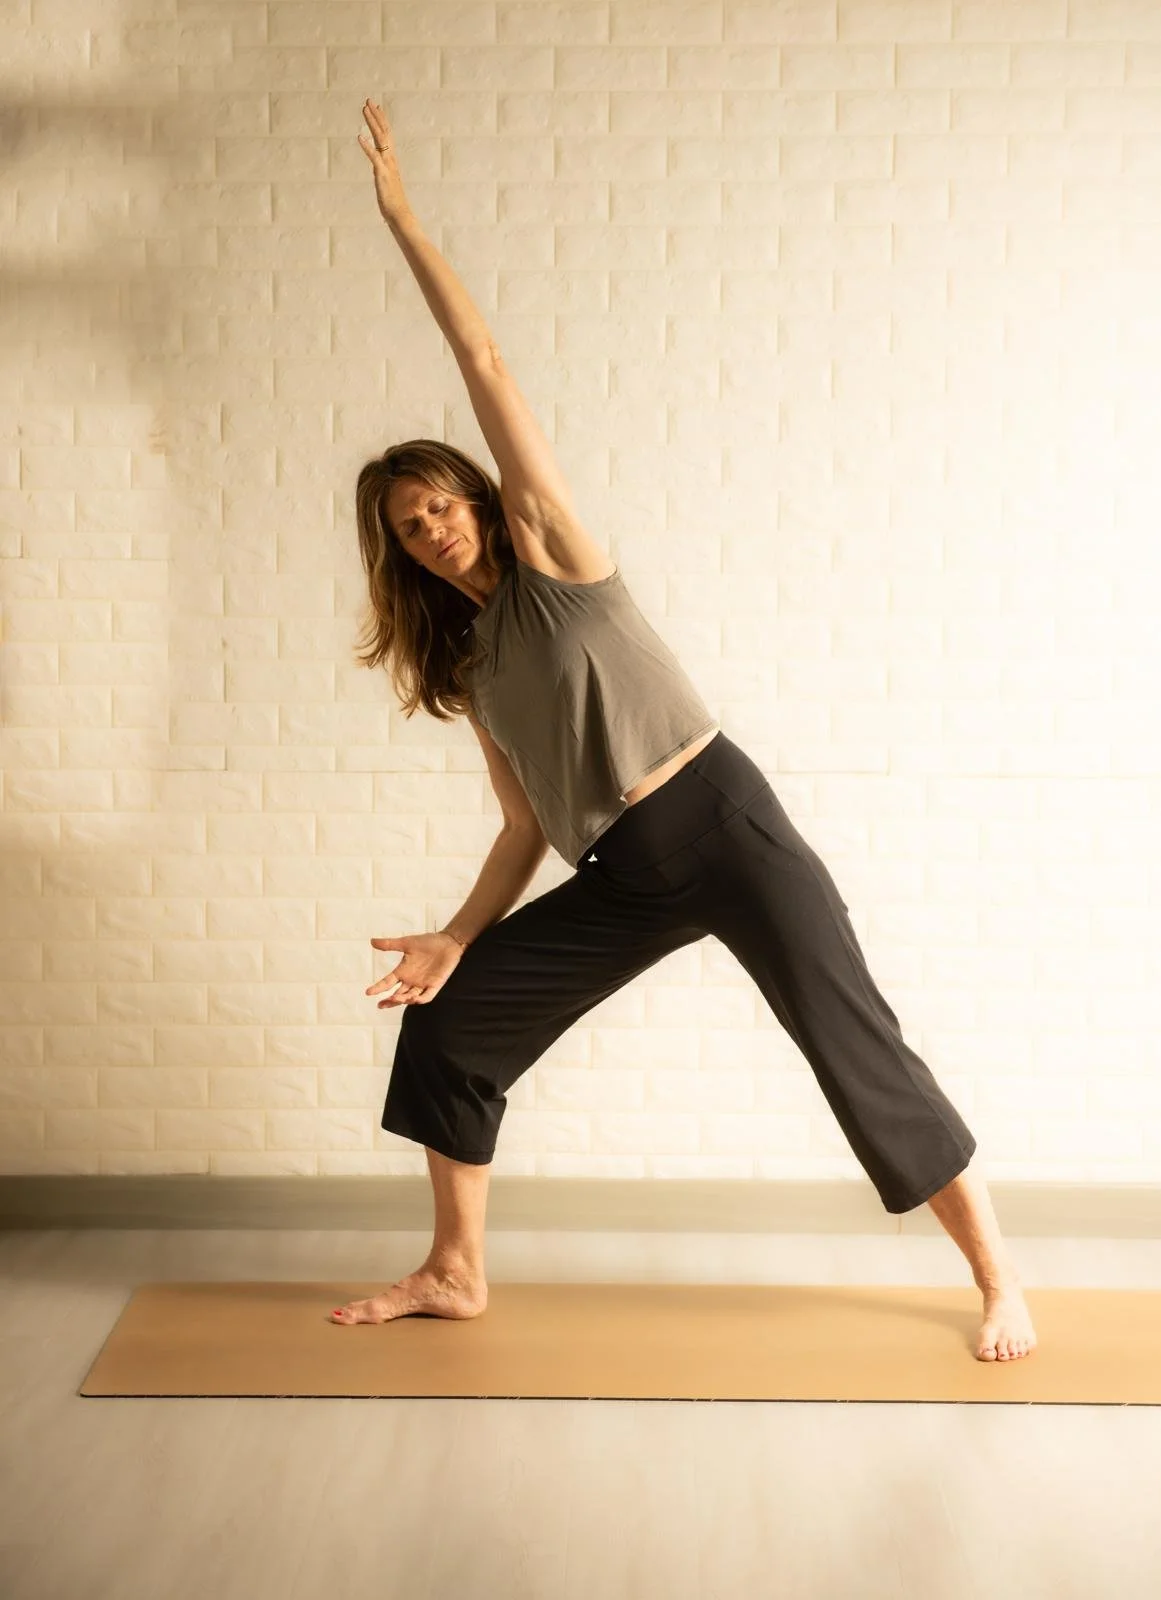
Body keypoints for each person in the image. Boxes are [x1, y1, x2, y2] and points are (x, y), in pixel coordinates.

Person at [331, 100, 1037, 1364]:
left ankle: (998, 1276)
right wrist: (453, 935)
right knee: (453, 1024)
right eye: (408, 525)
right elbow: (526, 825)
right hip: (622, 870)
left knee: (851, 1042)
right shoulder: (475, 665)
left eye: (440, 502)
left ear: (479, 503)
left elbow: (485, 362)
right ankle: (454, 1272)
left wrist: (404, 221)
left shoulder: (554, 555)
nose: (432, 527)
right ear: (402, 554)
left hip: (722, 819)